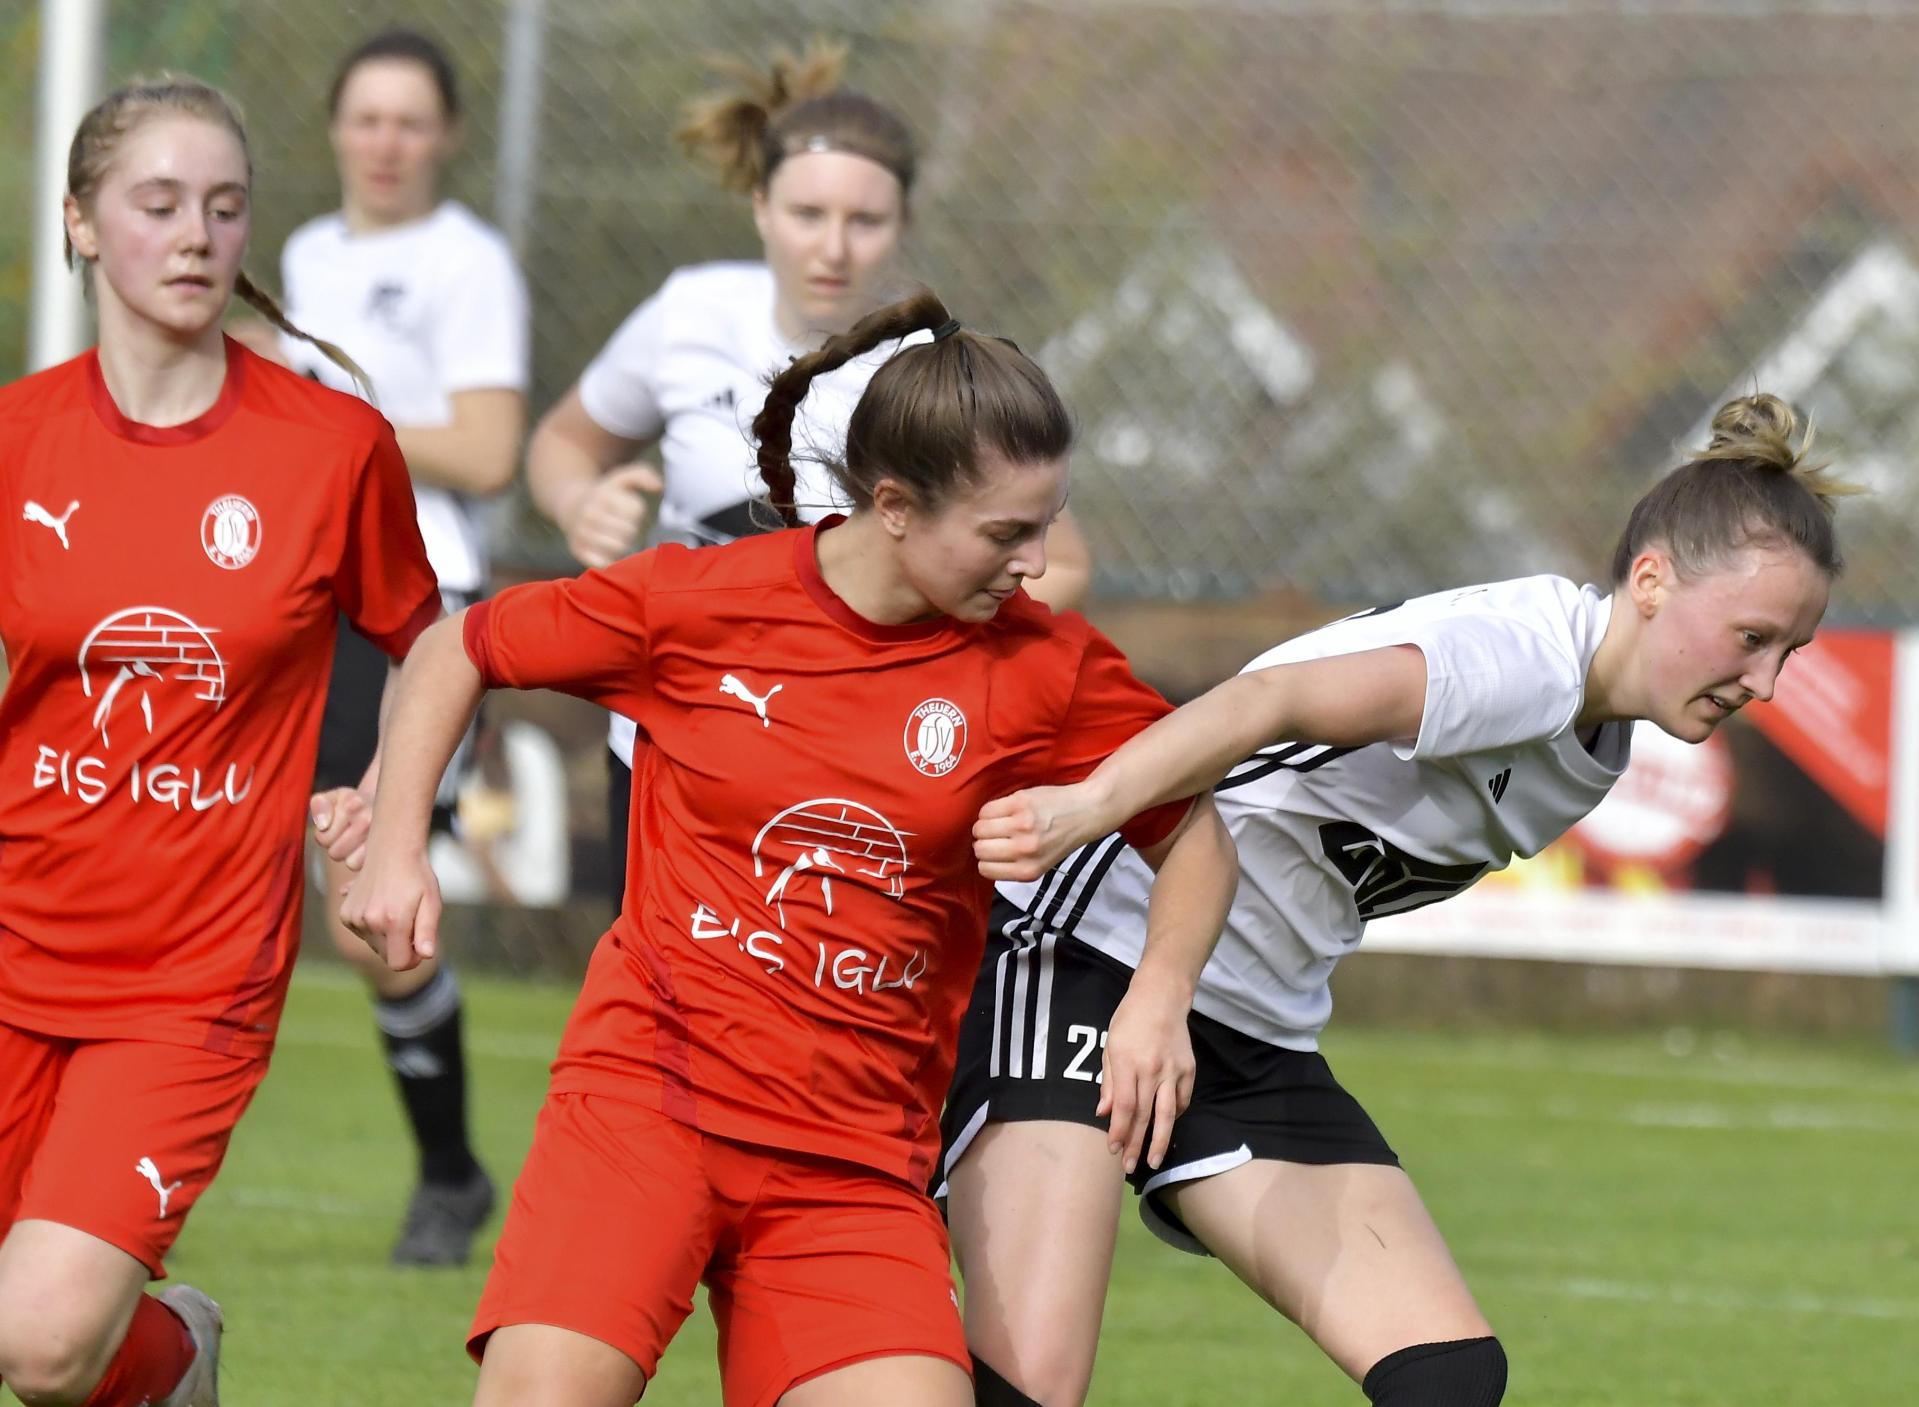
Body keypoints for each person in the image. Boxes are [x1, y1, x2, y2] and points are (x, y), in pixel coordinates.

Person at [343, 288, 1237, 1407]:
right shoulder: (699, 601)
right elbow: (456, 647)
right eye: (1007, 532)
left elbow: (1192, 823)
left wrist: (1158, 992)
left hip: (851, 1160)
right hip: (647, 1106)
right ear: (896, 506)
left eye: (1047, 523)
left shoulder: (1042, 667)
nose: (1036, 561)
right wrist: (395, 847)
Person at [946, 394, 1856, 1407]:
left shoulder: (1595, 747)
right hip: (1089, 960)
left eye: (1789, 652)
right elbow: (1262, 703)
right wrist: (1093, 807)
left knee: (1447, 1378)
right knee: (1027, 1392)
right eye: (1749, 636)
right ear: (1649, 580)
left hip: (1246, 1029)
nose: (1765, 681)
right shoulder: (1524, 662)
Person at [0, 77, 439, 1406]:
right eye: (156, 204)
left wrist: (391, 807)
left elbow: (435, 641)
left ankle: (174, 1348)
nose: (195, 234)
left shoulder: (331, 447)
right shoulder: (16, 440)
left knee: (36, 1344)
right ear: (79, 223)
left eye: (224, 206)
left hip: (188, 979)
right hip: (13, 929)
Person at [524, 42, 1092, 906]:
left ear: (902, 223)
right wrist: (580, 502)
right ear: (758, 204)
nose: (832, 246)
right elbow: (561, 444)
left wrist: (907, 647)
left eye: (864, 221)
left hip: (844, 753)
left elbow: (1063, 564)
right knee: (654, 996)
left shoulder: (927, 367)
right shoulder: (689, 312)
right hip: (668, 726)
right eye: (805, 212)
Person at [261, 26, 531, 1268]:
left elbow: (484, 452)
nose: (385, 143)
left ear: (448, 136)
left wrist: (330, 413)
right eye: (365, 118)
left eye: (409, 121)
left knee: (371, 892)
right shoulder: (307, 254)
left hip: (421, 607)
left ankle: (449, 1173)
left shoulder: (467, 265)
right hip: (304, 594)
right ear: (332, 129)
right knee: (308, 883)